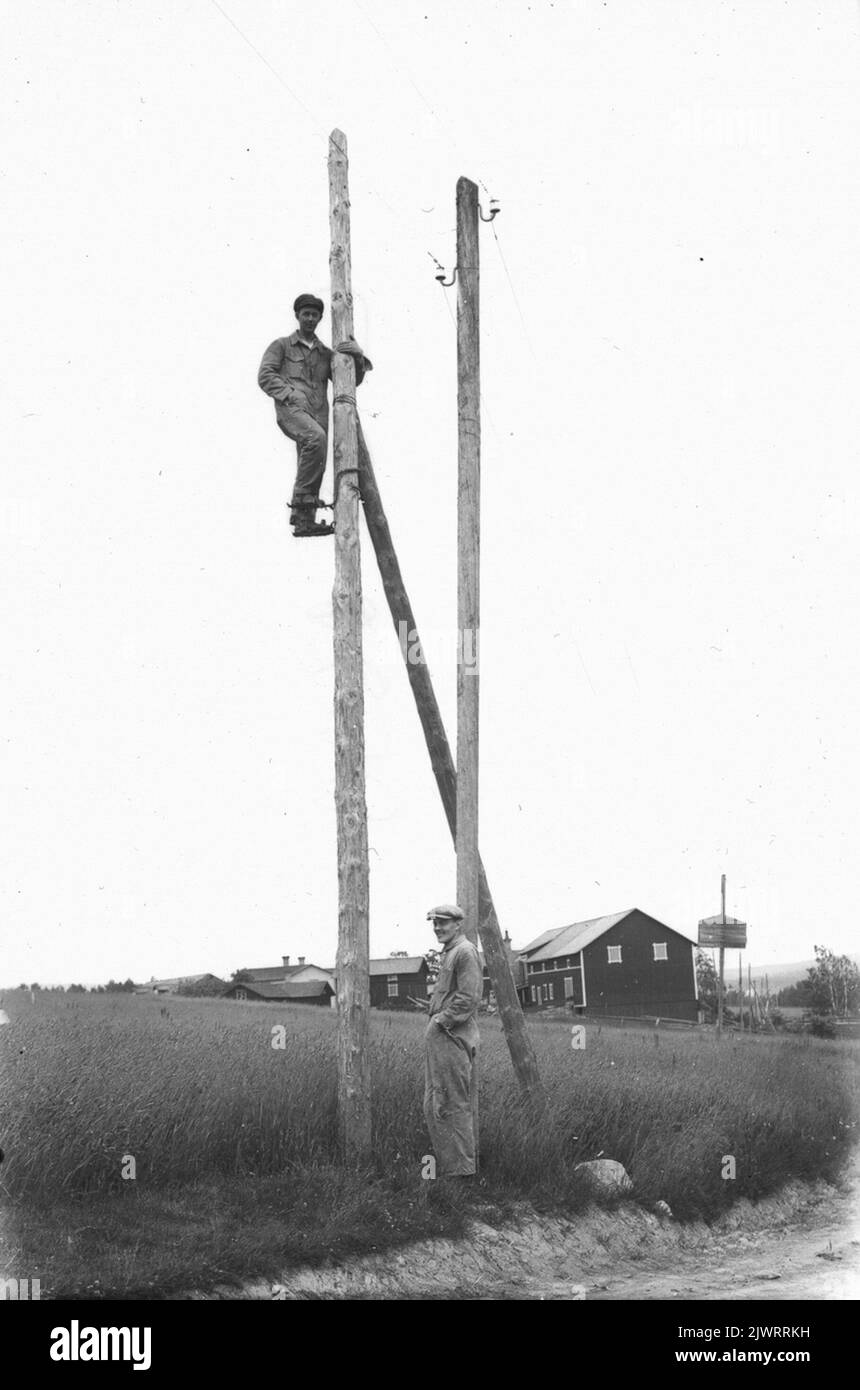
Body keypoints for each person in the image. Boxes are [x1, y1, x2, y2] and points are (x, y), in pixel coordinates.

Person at [257, 294, 372, 537]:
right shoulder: (282, 346)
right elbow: (265, 375)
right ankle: (301, 507)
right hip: (292, 409)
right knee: (316, 440)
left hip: (318, 413)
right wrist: (290, 394)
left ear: (320, 318)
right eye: (305, 314)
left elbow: (351, 380)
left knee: (316, 457)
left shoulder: (325, 354)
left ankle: (304, 519)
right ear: (297, 316)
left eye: (314, 315)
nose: (309, 318)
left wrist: (358, 356)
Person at [423, 904, 482, 1177]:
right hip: (443, 1036)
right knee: (438, 1101)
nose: (438, 928)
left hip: (452, 1036)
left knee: (452, 1102)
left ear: (458, 924)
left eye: (443, 923)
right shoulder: (450, 953)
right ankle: (450, 1171)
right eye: (435, 923)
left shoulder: (464, 952)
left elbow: (468, 999)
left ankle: (461, 1176)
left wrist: (441, 1021)